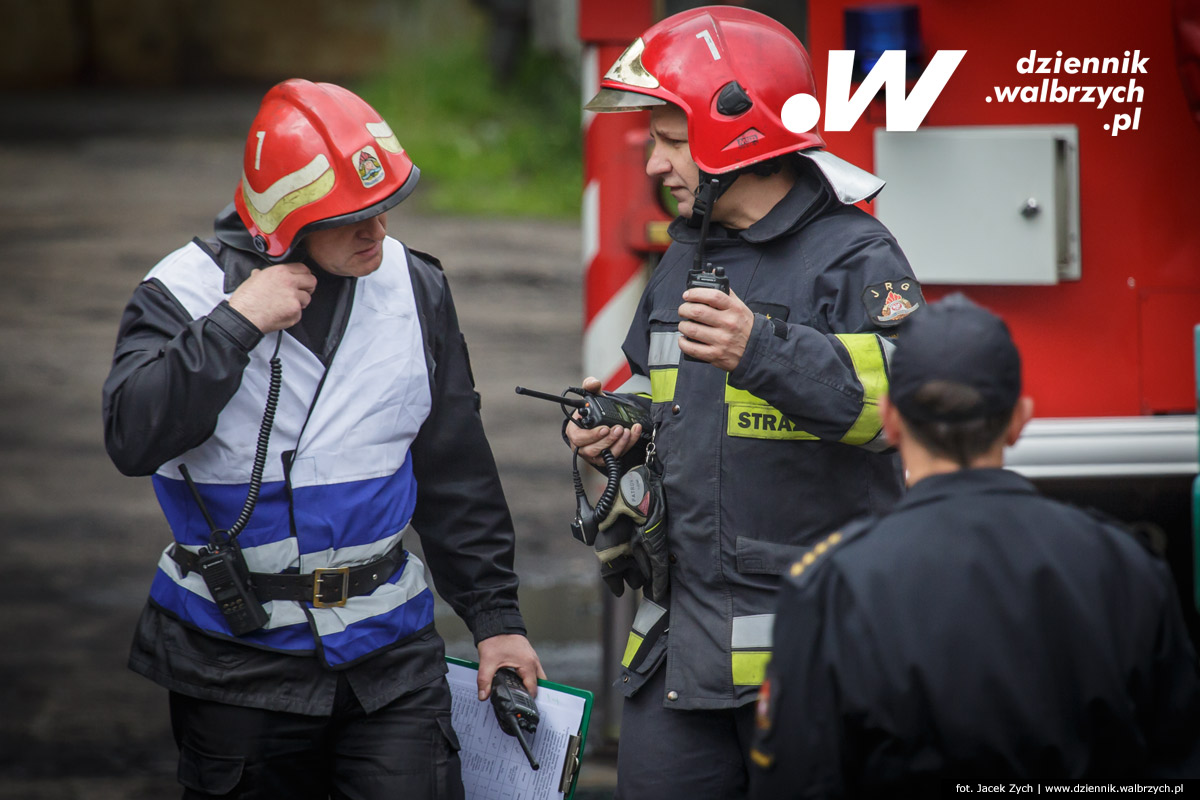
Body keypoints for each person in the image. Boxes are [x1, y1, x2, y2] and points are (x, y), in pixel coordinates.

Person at [101, 79, 543, 799]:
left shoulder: (415, 285)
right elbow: (131, 437)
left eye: (386, 209)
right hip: (235, 664)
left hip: (392, 655)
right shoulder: (181, 293)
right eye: (354, 218)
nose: (380, 232)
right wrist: (235, 324)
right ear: (284, 221)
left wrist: (496, 619)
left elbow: (455, 466)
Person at [569, 7, 922, 797]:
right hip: (678, 649)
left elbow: (908, 405)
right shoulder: (685, 252)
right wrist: (618, 424)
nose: (654, 163)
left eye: (670, 138)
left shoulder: (856, 256)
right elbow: (665, 397)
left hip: (811, 661)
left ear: (740, 135)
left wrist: (761, 350)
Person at [749, 294, 1200, 798]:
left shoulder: (832, 588)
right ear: (1019, 419)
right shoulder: (1127, 567)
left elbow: (798, 781)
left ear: (892, 420)